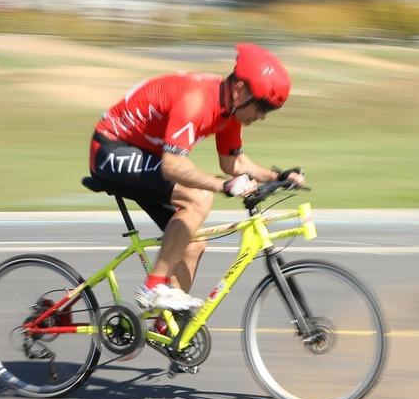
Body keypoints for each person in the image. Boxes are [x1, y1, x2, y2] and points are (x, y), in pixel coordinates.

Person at [89, 43, 305, 311]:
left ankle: (168, 329)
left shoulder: (230, 111)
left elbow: (233, 161)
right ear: (239, 90)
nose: (262, 116)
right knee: (198, 198)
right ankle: (153, 286)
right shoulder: (198, 101)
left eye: (268, 111)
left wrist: (278, 175)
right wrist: (222, 186)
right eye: (262, 107)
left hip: (145, 155)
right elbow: (172, 166)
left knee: (193, 243)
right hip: (111, 150)